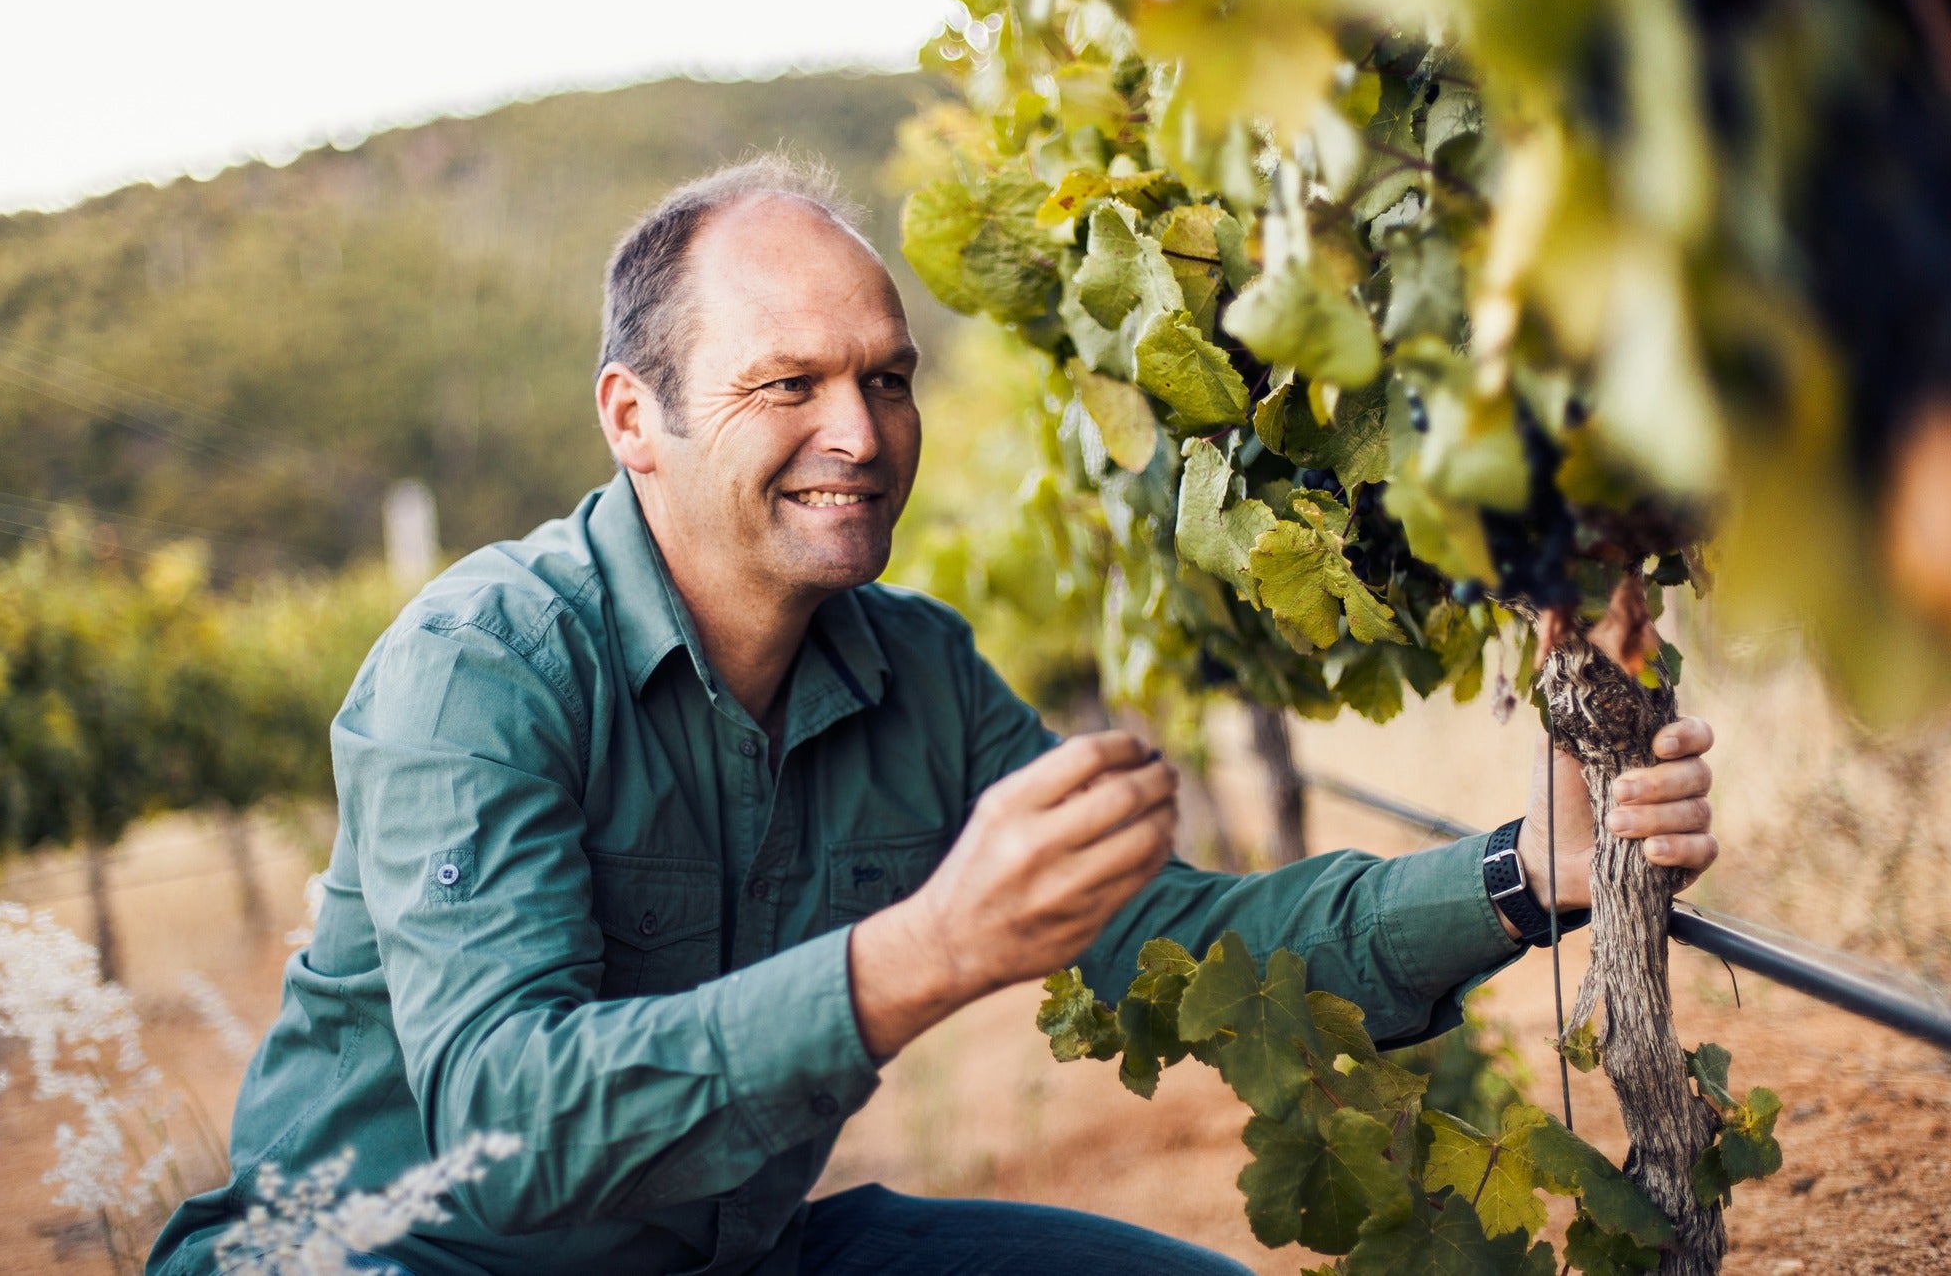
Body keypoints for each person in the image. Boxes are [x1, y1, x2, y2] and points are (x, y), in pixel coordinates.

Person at [147, 157, 1719, 1276]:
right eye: (791, 384)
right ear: (637, 416)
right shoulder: (480, 664)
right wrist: (920, 956)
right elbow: (507, 1117)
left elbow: (1188, 949)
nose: (861, 431)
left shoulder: (916, 673)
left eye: (889, 379)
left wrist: (1528, 868)